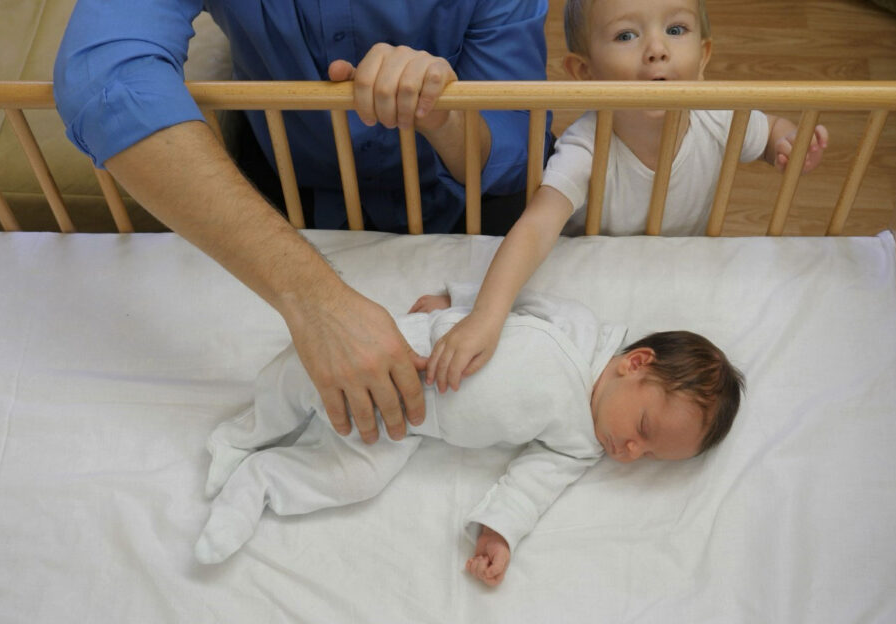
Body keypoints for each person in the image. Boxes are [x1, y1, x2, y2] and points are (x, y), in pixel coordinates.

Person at [52, 1, 549, 445]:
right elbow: (105, 78)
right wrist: (315, 301)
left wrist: (442, 114)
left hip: (457, 192)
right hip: (281, 177)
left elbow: (511, 146)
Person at [194, 283, 744, 587]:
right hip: (405, 351)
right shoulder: (574, 329)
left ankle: (260, 482)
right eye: (642, 430)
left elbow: (533, 485)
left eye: (647, 456)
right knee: (299, 378)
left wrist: (499, 533)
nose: (629, 452)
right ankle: (241, 436)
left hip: (409, 425)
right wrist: (451, 301)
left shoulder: (580, 443)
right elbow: (507, 297)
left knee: (357, 478)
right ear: (636, 363)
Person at [420, 0, 830, 393]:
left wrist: (786, 141)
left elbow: (766, 131)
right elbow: (536, 228)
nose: (656, 50)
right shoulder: (586, 147)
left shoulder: (719, 116)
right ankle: (464, 300)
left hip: (675, 273)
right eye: (626, 35)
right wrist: (487, 318)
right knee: (541, 323)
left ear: (704, 57)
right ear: (584, 71)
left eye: (675, 29)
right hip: (593, 281)